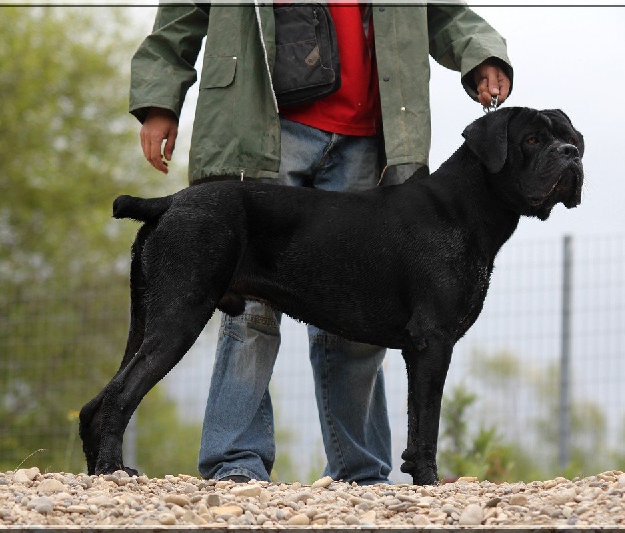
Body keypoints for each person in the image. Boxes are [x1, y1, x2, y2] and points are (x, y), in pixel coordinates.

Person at [129, 2, 512, 485]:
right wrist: (159, 100)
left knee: (361, 318)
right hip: (261, 129)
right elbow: (181, 16)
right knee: (249, 307)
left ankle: (362, 472)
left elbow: (443, 11)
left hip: (370, 136)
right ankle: (235, 464)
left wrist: (483, 55)